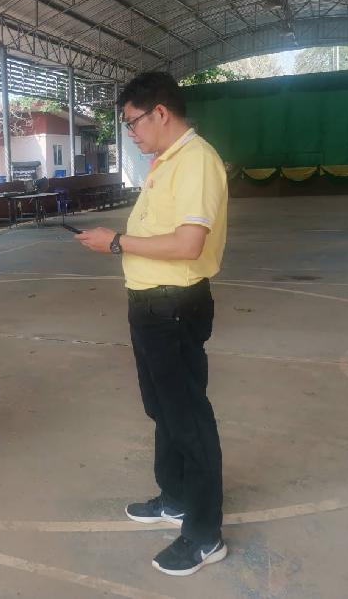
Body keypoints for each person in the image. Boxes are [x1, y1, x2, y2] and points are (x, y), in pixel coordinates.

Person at [76, 72, 228, 576]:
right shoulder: (167, 161)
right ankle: (176, 497)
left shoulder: (196, 160)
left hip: (174, 306)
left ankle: (204, 535)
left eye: (133, 122)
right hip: (149, 305)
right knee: (162, 408)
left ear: (160, 112)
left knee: (188, 418)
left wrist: (116, 242)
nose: (131, 133)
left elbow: (188, 244)